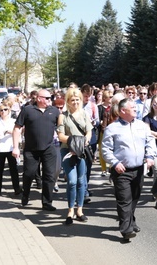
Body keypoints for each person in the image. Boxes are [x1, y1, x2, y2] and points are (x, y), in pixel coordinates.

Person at [102, 98, 156, 240]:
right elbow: (105, 150)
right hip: (121, 170)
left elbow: (150, 141)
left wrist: (150, 156)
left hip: (138, 169)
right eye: (132, 107)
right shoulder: (112, 128)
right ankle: (126, 229)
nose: (135, 109)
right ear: (122, 111)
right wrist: (114, 163)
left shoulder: (142, 126)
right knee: (124, 199)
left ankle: (131, 220)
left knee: (135, 197)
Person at [13, 89, 60, 211]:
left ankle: (47, 202)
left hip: (49, 148)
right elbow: (17, 128)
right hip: (31, 149)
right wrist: (15, 147)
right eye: (47, 98)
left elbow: (61, 127)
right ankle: (25, 195)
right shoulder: (27, 110)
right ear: (39, 98)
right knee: (29, 174)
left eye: (51, 98)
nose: (50, 100)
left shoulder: (54, 111)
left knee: (49, 176)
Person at [57, 87, 92, 225]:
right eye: (73, 100)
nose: (75, 102)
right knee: (72, 181)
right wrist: (73, 142)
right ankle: (70, 210)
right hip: (67, 151)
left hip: (81, 151)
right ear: (68, 101)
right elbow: (60, 136)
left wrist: (84, 141)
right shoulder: (63, 116)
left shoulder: (84, 114)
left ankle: (80, 210)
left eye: (78, 99)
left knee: (81, 181)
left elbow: (89, 131)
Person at [0, 98, 21, 195]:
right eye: (1, 110)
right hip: (0, 148)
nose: (3, 112)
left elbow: (19, 132)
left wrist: (11, 132)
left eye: (5, 110)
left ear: (9, 111)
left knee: (13, 169)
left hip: (11, 148)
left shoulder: (13, 121)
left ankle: (17, 189)